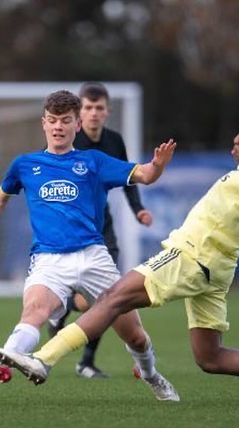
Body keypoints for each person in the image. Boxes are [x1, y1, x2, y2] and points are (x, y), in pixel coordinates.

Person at [0, 111, 239, 407]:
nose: (236, 140)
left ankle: (41, 360)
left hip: (189, 257)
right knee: (209, 357)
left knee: (112, 298)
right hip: (218, 270)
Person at [0, 90, 180, 401]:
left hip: (94, 257)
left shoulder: (94, 161)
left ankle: (151, 374)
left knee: (134, 335)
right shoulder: (25, 165)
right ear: (44, 124)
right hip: (48, 260)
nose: (58, 127)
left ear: (77, 125)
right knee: (34, 310)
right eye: (52, 121)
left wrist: (157, 166)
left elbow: (144, 174)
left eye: (65, 121)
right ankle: (6, 356)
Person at [47, 82, 154, 379]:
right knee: (88, 299)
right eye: (88, 107)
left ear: (107, 112)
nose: (93, 113)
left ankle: (86, 362)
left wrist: (138, 210)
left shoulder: (114, 141)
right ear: (80, 113)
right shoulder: (70, 140)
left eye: (99, 108)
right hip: (69, 231)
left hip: (102, 230)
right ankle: (61, 307)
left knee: (106, 298)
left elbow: (128, 177)